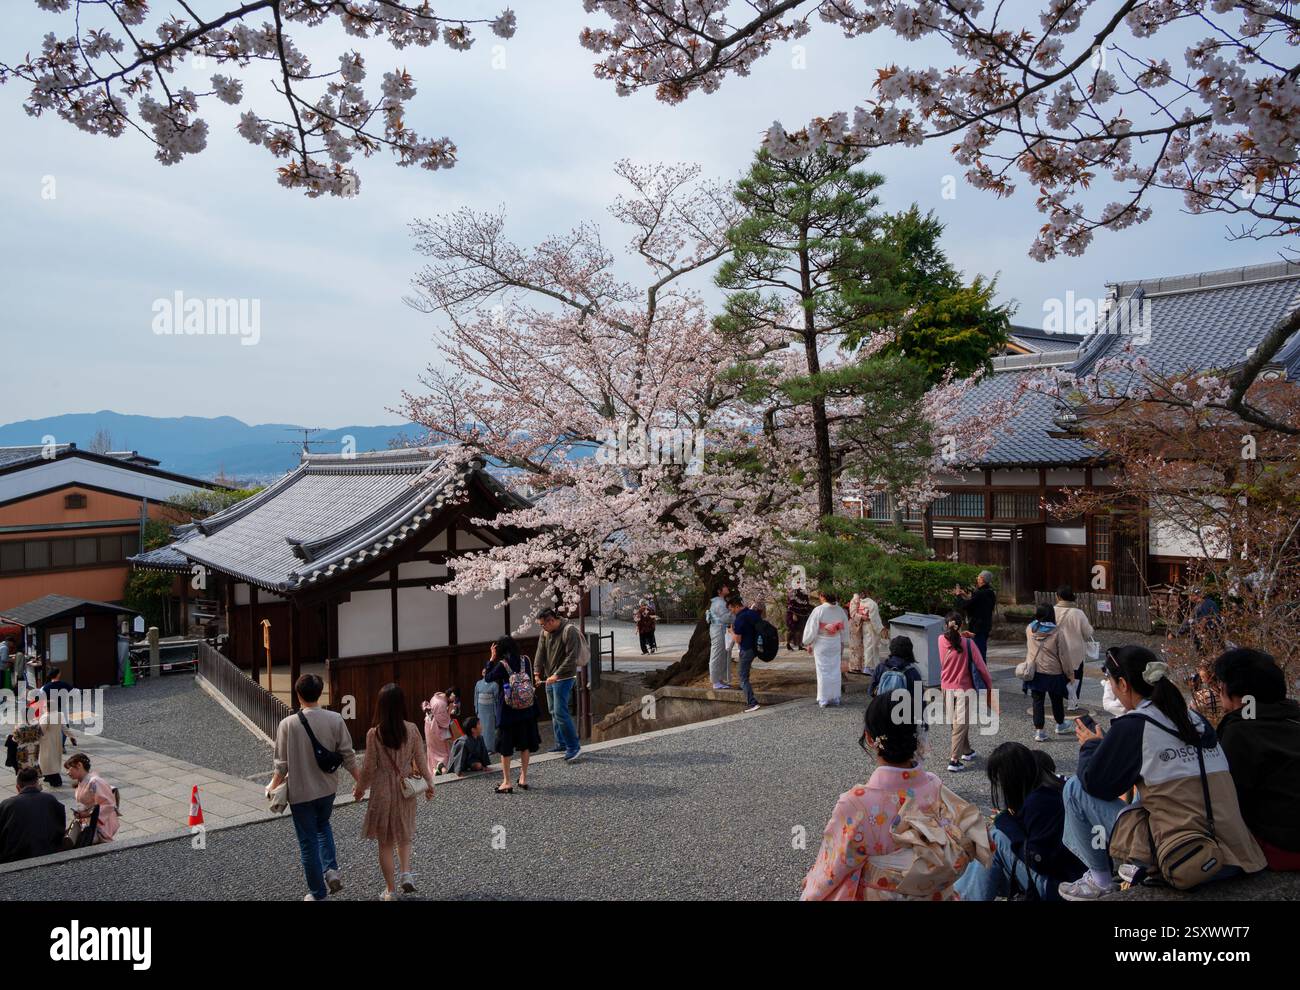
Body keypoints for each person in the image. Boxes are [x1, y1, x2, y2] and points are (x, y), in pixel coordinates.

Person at [1057, 645, 1266, 900]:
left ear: (1122, 683)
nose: (1111, 688)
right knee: (1148, 792)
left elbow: (1095, 784)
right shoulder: (1194, 720)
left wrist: (1091, 747)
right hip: (1236, 854)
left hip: (1189, 860)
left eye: (1111, 682)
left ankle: (1099, 879)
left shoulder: (1135, 725)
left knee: (1074, 788)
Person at [801, 693, 991, 900]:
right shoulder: (934, 786)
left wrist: (810, 892)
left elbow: (832, 869)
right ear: (916, 735)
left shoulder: (856, 804)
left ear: (870, 738)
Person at [954, 742, 1085, 900]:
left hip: (1060, 888)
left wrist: (1005, 821)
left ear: (1011, 779)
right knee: (996, 839)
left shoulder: (1040, 802)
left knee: (995, 837)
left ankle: (962, 896)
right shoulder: (1054, 789)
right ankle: (962, 893)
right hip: (1077, 880)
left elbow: (1037, 859)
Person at [270, 674, 360, 901]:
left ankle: (318, 893)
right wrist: (360, 780)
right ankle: (331, 870)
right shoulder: (335, 719)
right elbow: (348, 756)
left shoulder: (287, 724)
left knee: (308, 842)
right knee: (323, 826)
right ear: (321, 693)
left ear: (298, 694)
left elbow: (281, 766)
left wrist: (272, 786)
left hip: (301, 793)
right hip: (327, 789)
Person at [1212, 648, 1300, 870]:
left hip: (1284, 848)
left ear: (1230, 689)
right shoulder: (1292, 715)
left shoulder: (1241, 731)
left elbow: (1228, 799)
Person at [353, 682, 434, 900]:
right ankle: (406, 873)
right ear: (401, 705)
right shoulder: (412, 729)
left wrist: (360, 789)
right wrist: (429, 784)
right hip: (405, 788)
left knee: (386, 841)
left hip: (382, 790)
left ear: (381, 706)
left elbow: (369, 768)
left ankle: (390, 891)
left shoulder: (374, 734)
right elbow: (421, 760)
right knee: (404, 834)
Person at [485, 635, 541, 793]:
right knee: (525, 745)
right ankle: (523, 778)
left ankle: (507, 781)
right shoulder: (526, 660)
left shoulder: (503, 665)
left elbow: (488, 678)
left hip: (508, 711)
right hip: (527, 709)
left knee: (506, 746)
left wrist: (491, 658)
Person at [939, 612, 994, 772]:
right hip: (964, 689)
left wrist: (960, 635)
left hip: (946, 687)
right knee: (960, 723)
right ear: (961, 625)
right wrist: (989, 686)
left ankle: (966, 750)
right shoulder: (969, 644)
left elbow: (952, 640)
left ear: (945, 625)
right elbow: (982, 668)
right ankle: (954, 760)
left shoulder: (940, 640)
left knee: (955, 722)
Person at [535, 608, 583, 763]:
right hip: (550, 677)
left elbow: (572, 657)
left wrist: (557, 674)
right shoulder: (545, 633)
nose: (542, 627)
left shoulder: (569, 631)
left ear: (551, 620)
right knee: (553, 712)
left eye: (543, 624)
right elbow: (540, 652)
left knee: (560, 711)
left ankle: (573, 746)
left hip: (565, 677)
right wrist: (536, 672)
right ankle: (561, 743)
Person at [1024, 603, 1074, 743]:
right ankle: (1060, 724)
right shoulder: (1057, 632)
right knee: (1056, 699)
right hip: (1054, 671)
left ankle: (1039, 731)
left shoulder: (1030, 628)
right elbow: (1063, 655)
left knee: (1037, 701)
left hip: (1035, 670)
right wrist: (1070, 673)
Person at [0, 768, 65, 864]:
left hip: (15, 859)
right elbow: (60, 828)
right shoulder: (50, 800)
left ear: (18, 787)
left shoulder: (7, 805)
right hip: (48, 854)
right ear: (37, 785)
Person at [801, 589, 849, 708]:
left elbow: (812, 629)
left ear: (823, 596)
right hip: (835, 642)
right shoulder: (840, 611)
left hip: (822, 642)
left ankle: (824, 699)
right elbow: (845, 629)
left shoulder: (819, 610)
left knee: (823, 671)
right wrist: (843, 641)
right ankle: (836, 697)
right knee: (835, 670)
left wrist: (808, 641)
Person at [63, 753, 119, 844]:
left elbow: (108, 804)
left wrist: (87, 814)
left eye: (69, 769)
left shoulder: (95, 782)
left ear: (79, 765)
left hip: (100, 821)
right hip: (89, 819)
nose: (67, 773)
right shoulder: (83, 781)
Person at [1054, 586, 1094, 711]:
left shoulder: (1052, 611)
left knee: (1059, 674)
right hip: (1075, 650)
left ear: (1058, 597)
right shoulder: (1078, 613)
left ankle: (1058, 701)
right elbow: (1088, 633)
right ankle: (1072, 702)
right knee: (1075, 676)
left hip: (1057, 649)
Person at [726, 597, 762, 713]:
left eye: (731, 609)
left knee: (742, 676)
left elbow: (738, 639)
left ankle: (752, 703)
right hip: (756, 647)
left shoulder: (739, 619)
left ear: (736, 606)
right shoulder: (753, 614)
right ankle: (751, 700)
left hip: (746, 649)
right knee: (744, 674)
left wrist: (731, 631)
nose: (731, 611)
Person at [953, 571, 997, 664]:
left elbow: (965, 606)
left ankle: (979, 677)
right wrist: (965, 595)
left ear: (982, 579)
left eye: (979, 577)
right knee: (981, 651)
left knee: (976, 654)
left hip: (977, 626)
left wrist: (958, 596)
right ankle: (983, 675)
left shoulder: (980, 593)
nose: (977, 578)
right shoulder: (990, 592)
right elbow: (976, 603)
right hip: (986, 625)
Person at [846, 592, 886, 675]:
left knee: (863, 647)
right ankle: (865, 667)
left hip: (862, 625)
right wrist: (880, 629)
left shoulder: (863, 602)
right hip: (864, 625)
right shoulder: (871, 603)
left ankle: (860, 667)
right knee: (868, 647)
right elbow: (874, 619)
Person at [708, 581, 733, 690]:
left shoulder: (721, 602)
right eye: (724, 586)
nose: (727, 587)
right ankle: (715, 681)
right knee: (717, 654)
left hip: (720, 629)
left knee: (722, 654)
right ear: (719, 591)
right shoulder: (719, 603)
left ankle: (719, 679)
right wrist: (735, 612)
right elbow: (726, 618)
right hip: (718, 629)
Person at [422, 691, 452, 775]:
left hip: (428, 725)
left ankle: (433, 769)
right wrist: (449, 710)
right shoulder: (441, 703)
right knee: (442, 751)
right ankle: (443, 769)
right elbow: (444, 720)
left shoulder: (435, 697)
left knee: (432, 749)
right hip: (436, 729)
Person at [473, 667, 500, 753]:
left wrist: (496, 712)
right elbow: (476, 697)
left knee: (489, 729)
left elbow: (496, 699)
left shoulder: (494, 685)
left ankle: (490, 748)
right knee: (480, 728)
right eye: (484, 672)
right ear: (482, 673)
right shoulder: (478, 683)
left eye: (487, 672)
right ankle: (481, 747)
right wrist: (476, 708)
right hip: (481, 708)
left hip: (490, 709)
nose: (485, 674)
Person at [785, 586, 812, 652]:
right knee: (792, 629)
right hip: (793, 613)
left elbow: (806, 602)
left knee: (801, 629)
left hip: (802, 613)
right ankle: (788, 644)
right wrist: (794, 614)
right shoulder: (792, 592)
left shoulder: (804, 591)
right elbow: (790, 604)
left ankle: (800, 645)